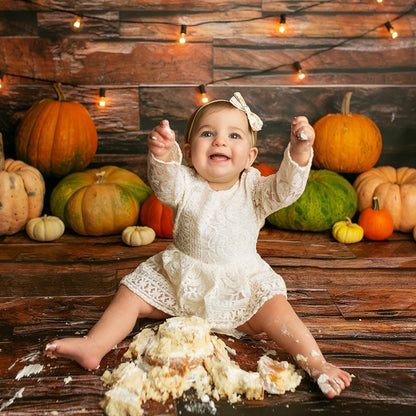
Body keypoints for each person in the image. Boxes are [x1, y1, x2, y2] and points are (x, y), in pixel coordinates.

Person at [45, 92, 351, 398]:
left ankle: (317, 363)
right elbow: (164, 186)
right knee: (131, 293)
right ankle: (94, 345)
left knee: (278, 312)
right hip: (180, 281)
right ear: (189, 152)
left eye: (234, 135)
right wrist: (163, 157)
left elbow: (287, 188)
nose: (220, 141)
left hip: (240, 285)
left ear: (250, 156)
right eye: (208, 134)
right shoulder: (185, 184)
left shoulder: (256, 189)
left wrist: (299, 150)